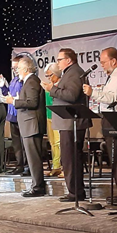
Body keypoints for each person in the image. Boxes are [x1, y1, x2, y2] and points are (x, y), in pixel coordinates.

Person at [82, 47, 117, 205]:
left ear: (113, 61)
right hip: (113, 118)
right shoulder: (115, 75)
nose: (102, 65)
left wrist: (93, 93)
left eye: (104, 62)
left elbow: (112, 98)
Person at [41, 48, 91, 202]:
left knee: (71, 159)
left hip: (71, 123)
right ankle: (75, 191)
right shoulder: (70, 73)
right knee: (70, 159)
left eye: (59, 59)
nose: (58, 63)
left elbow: (71, 95)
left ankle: (75, 192)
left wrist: (52, 89)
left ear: (68, 60)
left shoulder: (74, 73)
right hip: (68, 122)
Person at [5, 57, 47, 197]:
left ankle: (38, 187)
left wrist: (14, 101)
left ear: (26, 69)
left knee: (34, 158)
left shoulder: (32, 81)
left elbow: (32, 102)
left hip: (32, 125)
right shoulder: (28, 82)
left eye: (19, 68)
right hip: (29, 124)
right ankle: (36, 185)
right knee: (32, 158)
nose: (17, 71)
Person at [7, 56, 28, 175]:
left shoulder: (24, 80)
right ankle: (19, 165)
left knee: (24, 142)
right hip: (12, 115)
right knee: (16, 144)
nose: (14, 70)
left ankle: (26, 166)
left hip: (21, 113)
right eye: (13, 68)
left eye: (16, 67)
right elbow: (9, 94)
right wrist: (2, 87)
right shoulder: (14, 80)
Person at [43, 63, 62, 177]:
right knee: (52, 142)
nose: (49, 78)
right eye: (47, 76)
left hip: (58, 116)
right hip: (49, 116)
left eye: (50, 75)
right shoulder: (49, 86)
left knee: (59, 142)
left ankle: (62, 166)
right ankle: (55, 166)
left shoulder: (61, 85)